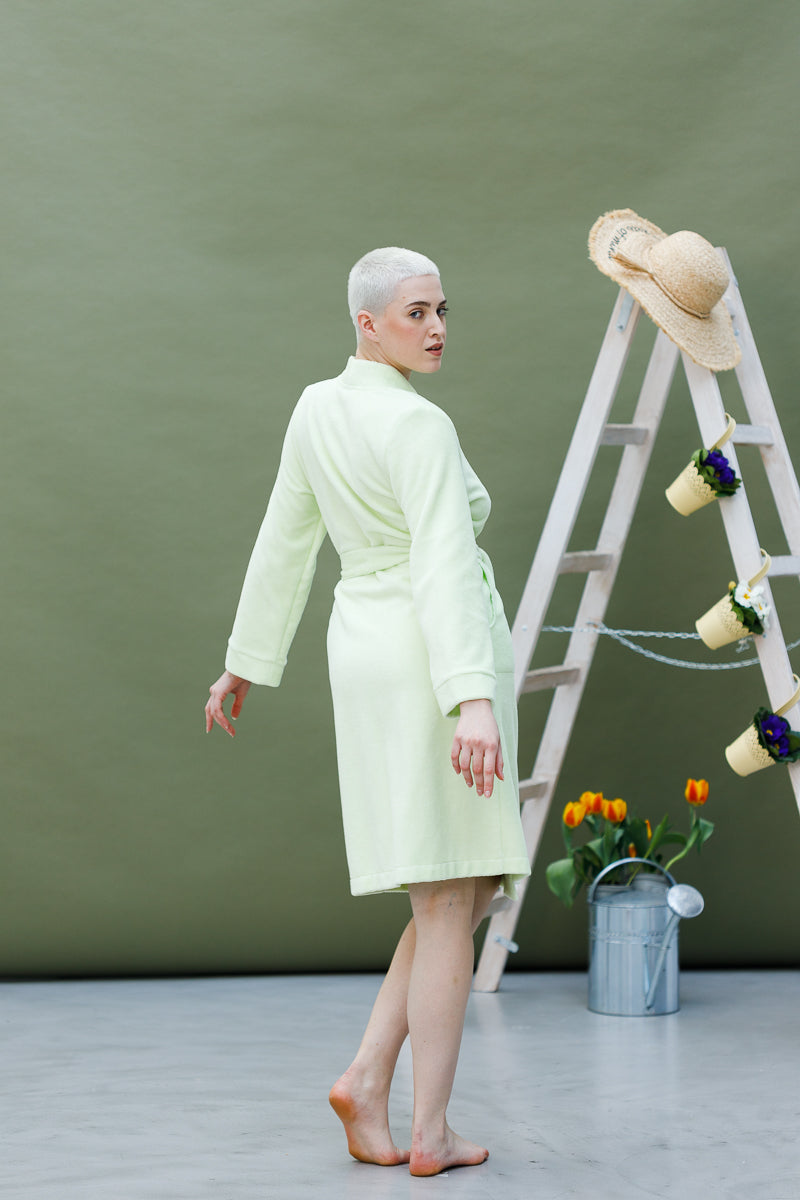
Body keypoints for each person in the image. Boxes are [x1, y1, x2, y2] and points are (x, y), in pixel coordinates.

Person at [205, 247, 530, 1176]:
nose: (436, 329)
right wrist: (472, 698)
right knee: (450, 893)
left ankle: (367, 1076)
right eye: (416, 313)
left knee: (453, 889)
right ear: (368, 322)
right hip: (431, 652)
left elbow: (286, 537)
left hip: (364, 645)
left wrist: (244, 662)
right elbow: (441, 563)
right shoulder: (420, 425)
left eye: (442, 311)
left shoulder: (316, 406)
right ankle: (430, 1132)